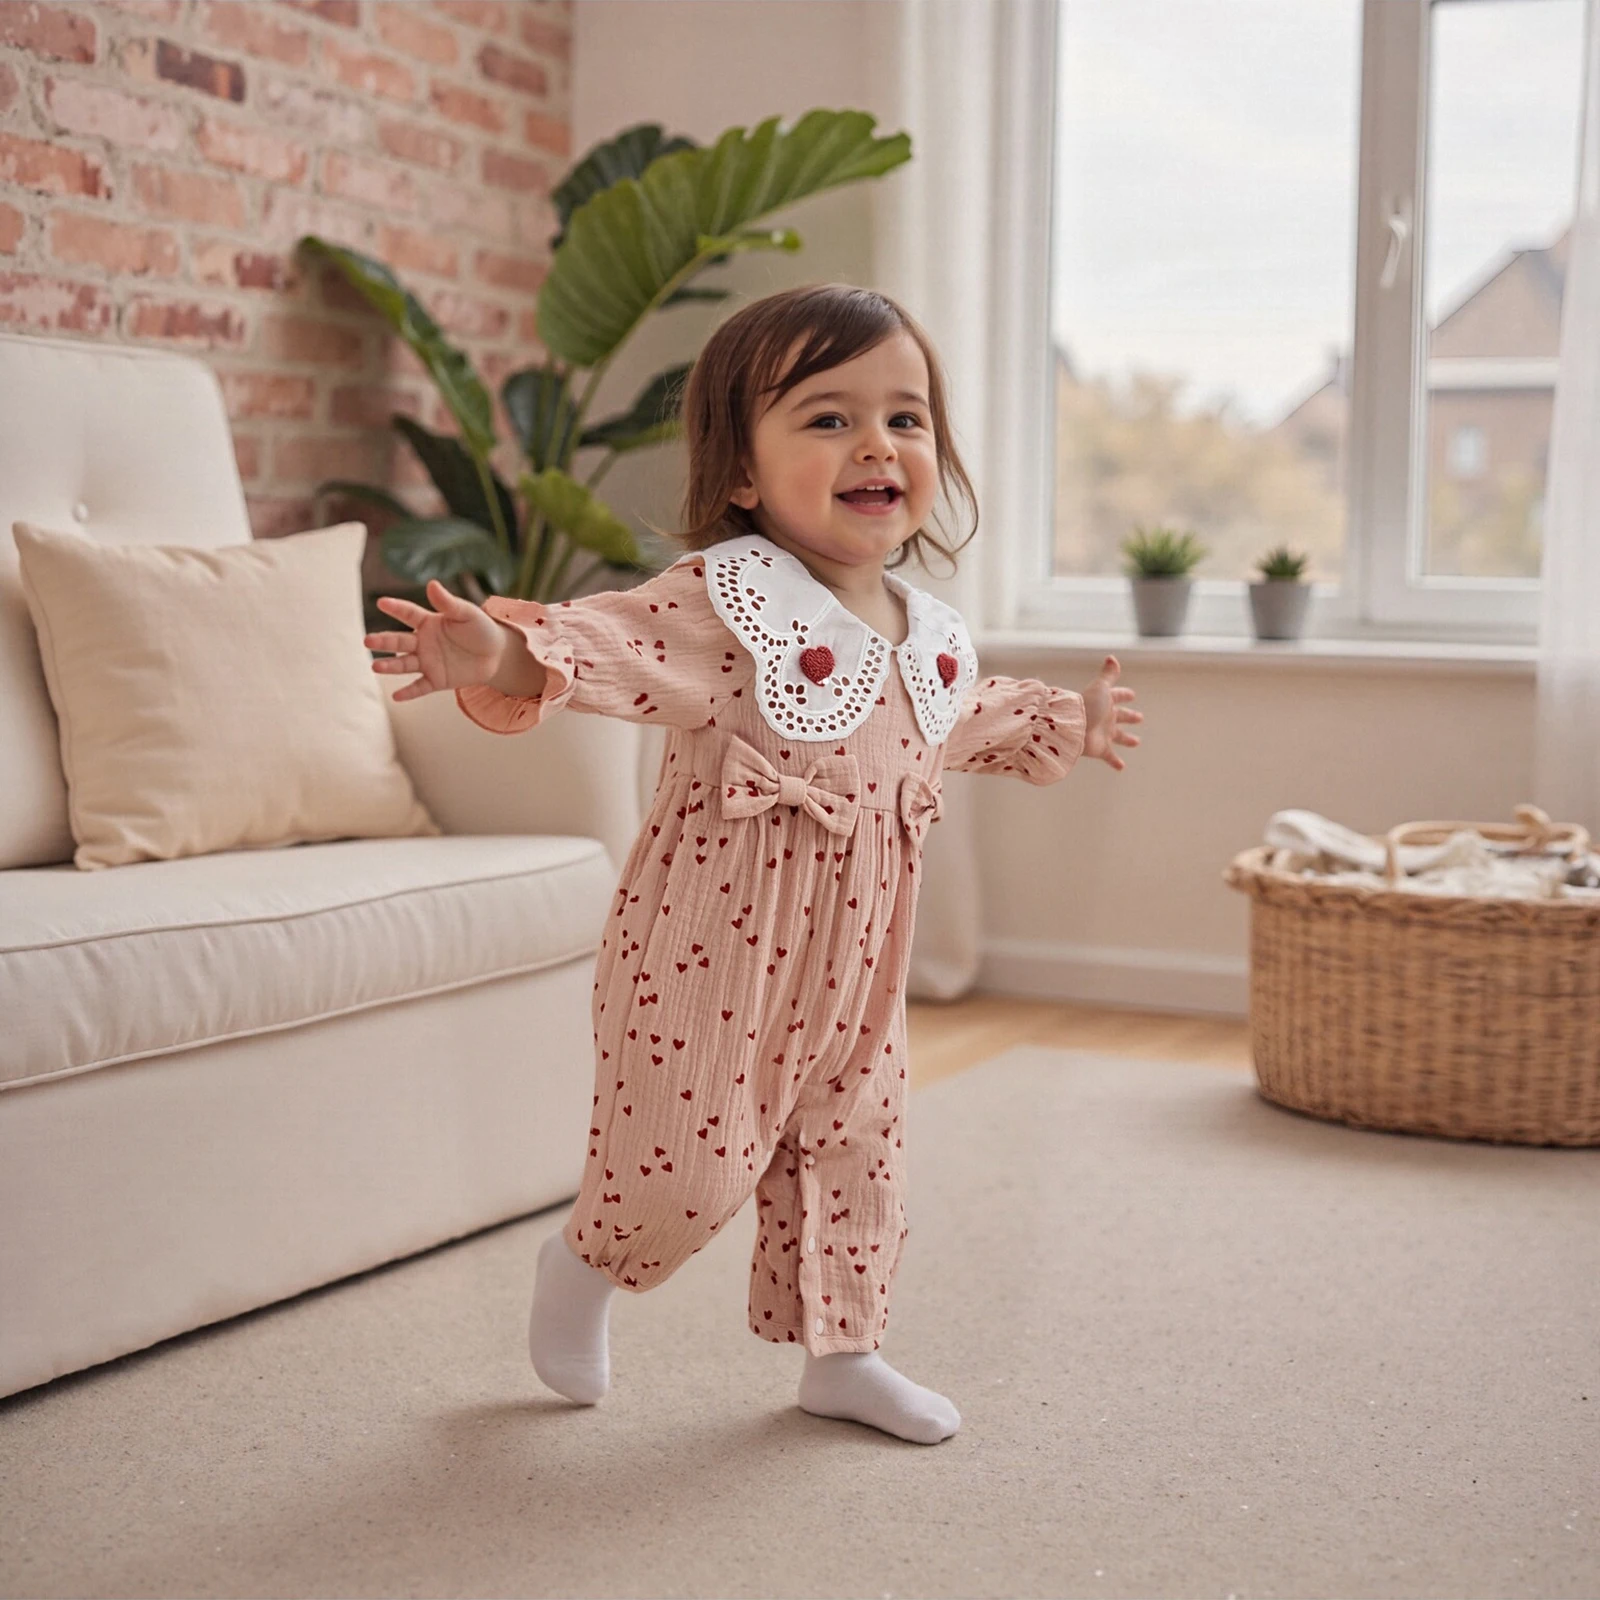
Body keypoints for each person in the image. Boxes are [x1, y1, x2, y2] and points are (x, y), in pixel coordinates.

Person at [362, 283, 1142, 1445]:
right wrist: (506, 652)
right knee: (690, 1171)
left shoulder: (923, 632)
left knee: (859, 1149)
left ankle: (844, 1356)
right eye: (827, 419)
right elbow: (609, 642)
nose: (878, 443)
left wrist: (1061, 724)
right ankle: (585, 1263)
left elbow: (965, 713)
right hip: (709, 949)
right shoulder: (729, 605)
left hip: (859, 965)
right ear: (740, 473)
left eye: (906, 418)